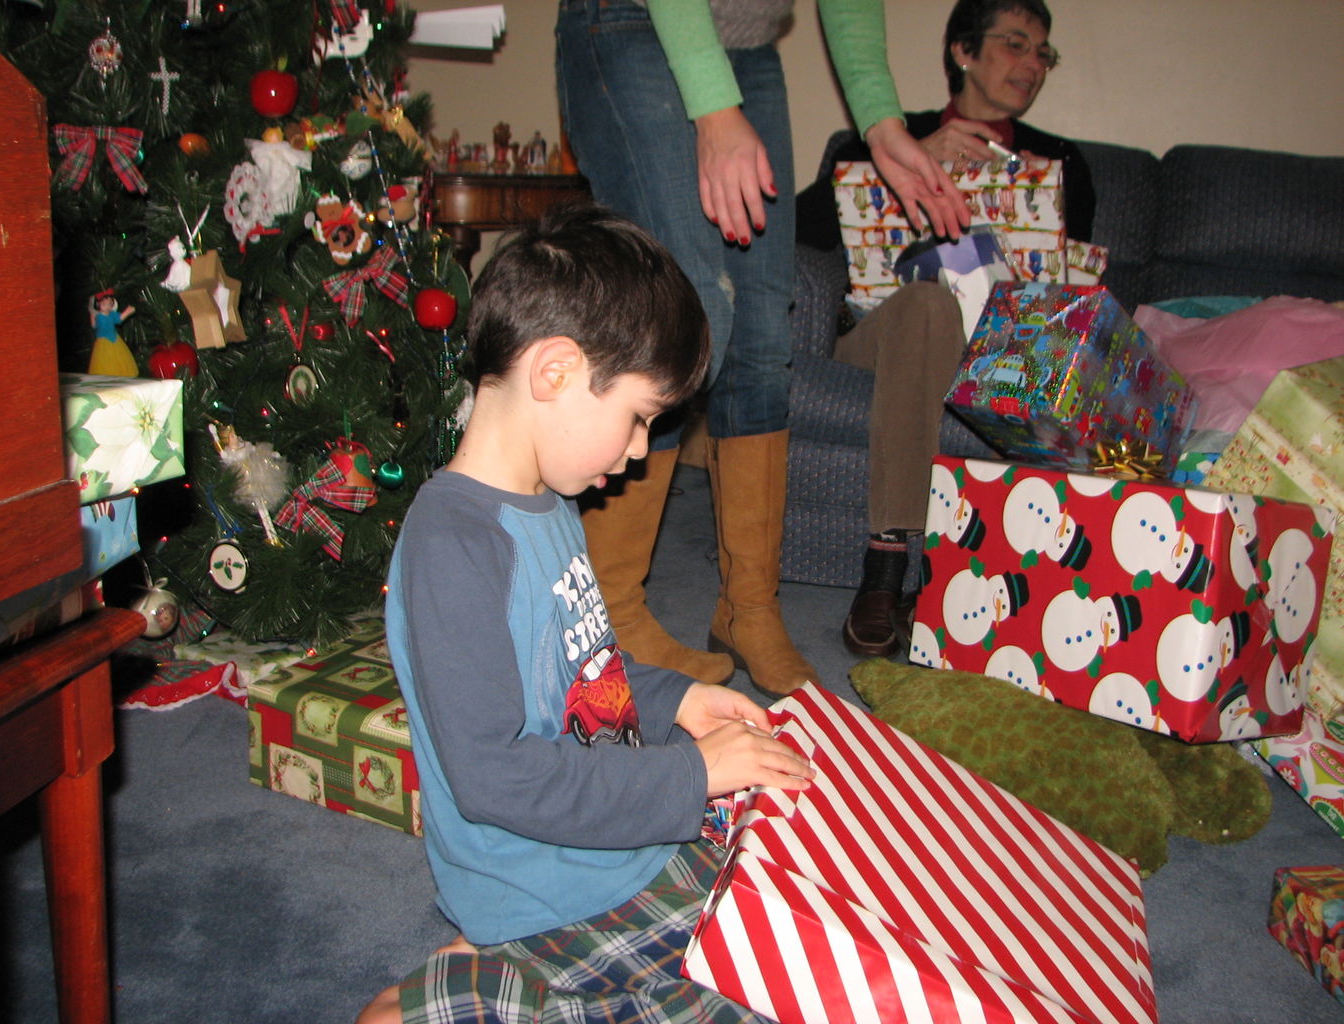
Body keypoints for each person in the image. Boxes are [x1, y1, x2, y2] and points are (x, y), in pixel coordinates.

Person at [357, 203, 815, 1024]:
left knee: (793, 946)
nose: (639, 451)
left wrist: (676, 700)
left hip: (622, 846)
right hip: (550, 892)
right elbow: (494, 776)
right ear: (556, 372)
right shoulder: (452, 544)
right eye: (639, 418)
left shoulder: (551, 504)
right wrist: (690, 774)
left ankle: (484, 972)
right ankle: (468, 981)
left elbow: (583, 676)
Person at [556, 0, 970, 697]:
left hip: (746, 43)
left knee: (762, 331)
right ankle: (611, 616)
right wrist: (713, 109)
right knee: (682, 310)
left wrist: (883, 123)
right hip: (635, 20)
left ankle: (747, 610)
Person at [796, 0, 1096, 659]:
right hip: (884, 339)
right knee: (927, 305)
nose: (1031, 63)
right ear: (963, 51)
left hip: (999, 355)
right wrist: (901, 159)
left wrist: (1030, 213)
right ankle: (888, 563)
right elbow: (800, 229)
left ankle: (946, 576)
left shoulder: (1061, 162)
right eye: (1014, 44)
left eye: (1042, 52)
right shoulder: (885, 138)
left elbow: (1070, 287)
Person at [88, 288, 138, 376]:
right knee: (105, 360)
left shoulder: (112, 314)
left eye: (109, 304)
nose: (107, 306)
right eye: (104, 304)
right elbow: (95, 325)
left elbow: (119, 319)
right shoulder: (99, 317)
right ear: (98, 304)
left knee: (119, 359)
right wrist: (127, 312)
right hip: (103, 342)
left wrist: (127, 312)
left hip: (115, 339)